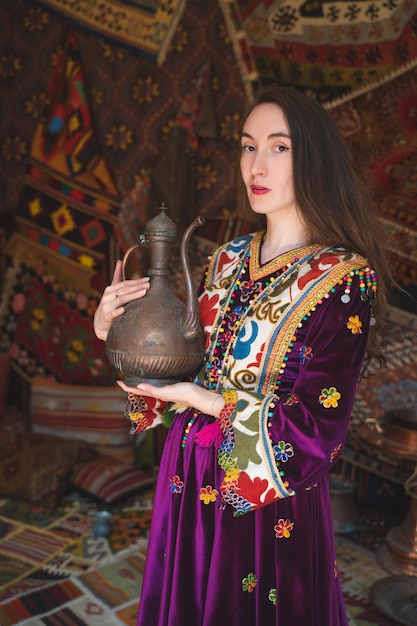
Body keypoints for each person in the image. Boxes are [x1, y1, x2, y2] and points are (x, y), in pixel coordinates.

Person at [94, 86, 390, 626]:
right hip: (187, 471)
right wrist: (115, 331)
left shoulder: (343, 280)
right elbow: (181, 368)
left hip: (265, 497)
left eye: (279, 148)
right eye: (247, 146)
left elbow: (317, 431)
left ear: (313, 158)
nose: (257, 164)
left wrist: (204, 401)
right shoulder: (227, 259)